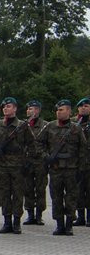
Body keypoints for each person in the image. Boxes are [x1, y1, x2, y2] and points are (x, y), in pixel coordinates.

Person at [0, 97, 37, 234]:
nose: (5, 109)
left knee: (18, 194)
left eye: (9, 106)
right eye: (4, 107)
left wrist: (29, 162)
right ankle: (7, 221)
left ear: (14, 109)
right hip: (2, 165)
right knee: (4, 194)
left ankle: (16, 222)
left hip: (18, 165)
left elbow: (32, 144)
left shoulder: (22, 126)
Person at [38, 99, 88, 235]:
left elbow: (83, 149)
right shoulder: (50, 127)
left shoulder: (76, 128)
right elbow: (39, 144)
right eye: (57, 110)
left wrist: (81, 169)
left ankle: (69, 224)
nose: (58, 113)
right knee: (56, 197)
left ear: (69, 111)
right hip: (55, 169)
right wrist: (45, 156)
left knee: (71, 197)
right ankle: (59, 224)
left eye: (61, 110)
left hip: (72, 169)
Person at [22, 100, 48, 225]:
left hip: (40, 163)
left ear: (38, 110)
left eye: (31, 109)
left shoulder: (45, 126)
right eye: (28, 109)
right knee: (27, 188)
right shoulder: (23, 125)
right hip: (27, 162)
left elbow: (49, 144)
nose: (29, 111)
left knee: (40, 188)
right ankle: (30, 214)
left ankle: (39, 215)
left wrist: (45, 157)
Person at [74, 97, 90, 227]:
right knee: (78, 190)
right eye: (81, 106)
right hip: (77, 163)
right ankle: (80, 217)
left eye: (86, 106)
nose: (83, 108)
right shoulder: (74, 123)